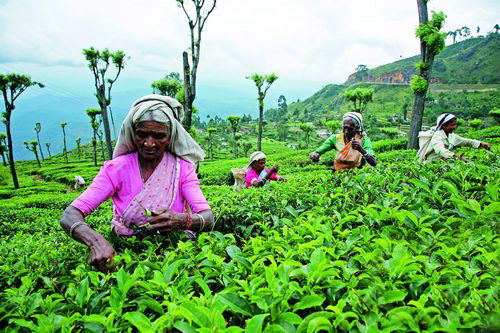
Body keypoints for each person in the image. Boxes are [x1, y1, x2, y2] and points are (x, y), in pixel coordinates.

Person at [60, 95, 214, 273]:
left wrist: (182, 220)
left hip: (176, 257)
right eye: (142, 134)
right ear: (132, 133)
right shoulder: (116, 169)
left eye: (159, 136)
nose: (149, 143)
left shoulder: (183, 169)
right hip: (126, 255)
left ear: (170, 136)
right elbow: (70, 215)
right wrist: (96, 242)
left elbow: (207, 218)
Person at [309, 112, 377, 168]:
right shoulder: (335, 138)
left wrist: (361, 150)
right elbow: (319, 151)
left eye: (350, 129)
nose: (346, 131)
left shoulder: (364, 140)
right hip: (338, 175)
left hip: (357, 177)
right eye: (345, 128)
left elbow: (373, 163)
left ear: (357, 128)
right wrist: (315, 154)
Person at [418, 113, 491, 164]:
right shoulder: (437, 135)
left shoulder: (452, 136)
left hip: (444, 164)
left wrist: (481, 144)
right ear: (444, 126)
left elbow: (466, 141)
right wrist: (456, 156)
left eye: (455, 124)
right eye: (452, 125)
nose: (455, 127)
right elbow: (439, 149)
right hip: (431, 165)